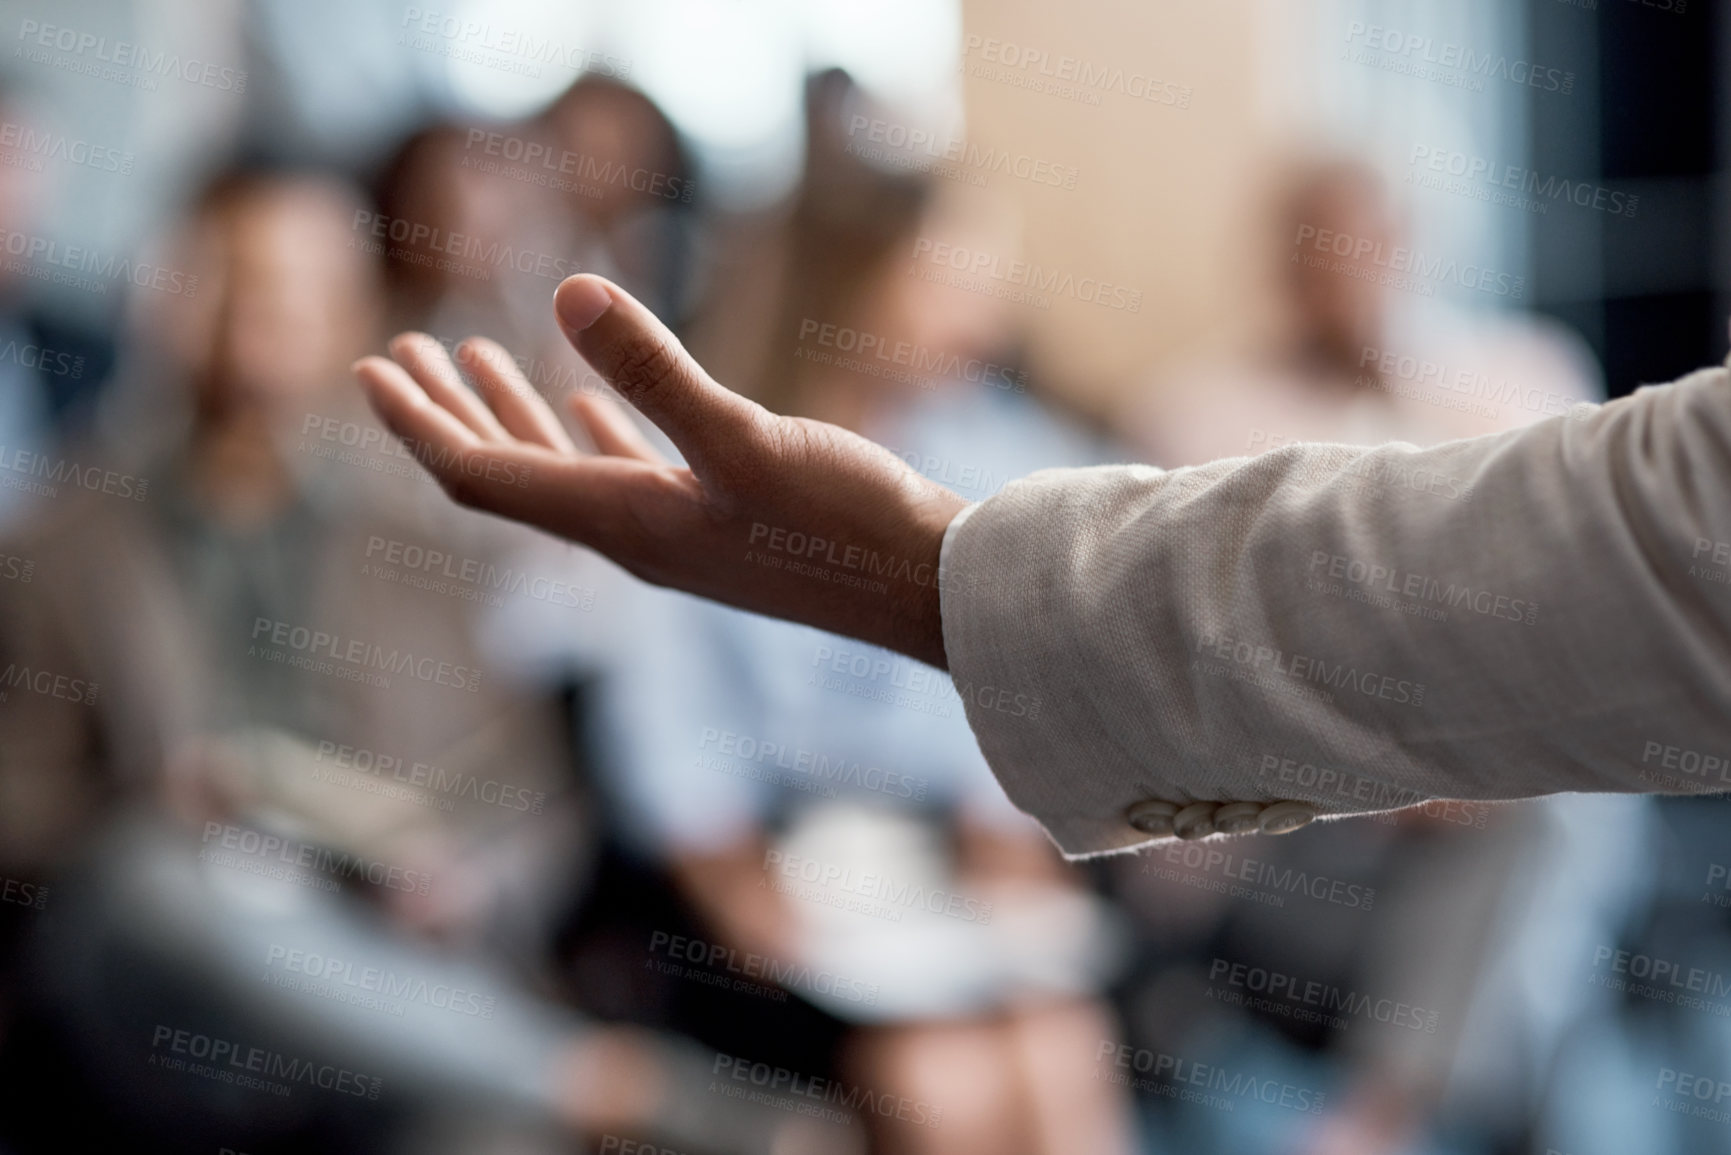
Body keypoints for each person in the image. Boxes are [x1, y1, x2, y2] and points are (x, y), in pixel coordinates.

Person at [353, 271, 1731, 861]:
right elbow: (1632, 550)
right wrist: (923, 572)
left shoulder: (1012, 437)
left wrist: (921, 574)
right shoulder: (1188, 403)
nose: (982, 298)